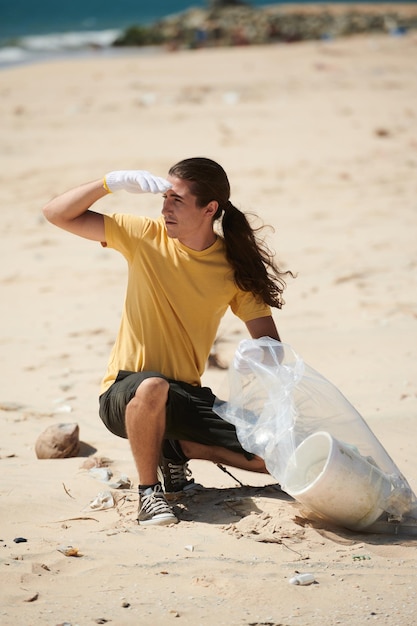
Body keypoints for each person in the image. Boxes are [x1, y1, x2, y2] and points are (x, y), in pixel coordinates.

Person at [42, 157, 291, 526]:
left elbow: (269, 342)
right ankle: (149, 495)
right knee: (153, 385)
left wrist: (257, 373)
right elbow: (56, 213)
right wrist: (110, 182)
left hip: (184, 398)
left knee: (273, 457)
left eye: (177, 200)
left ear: (210, 209)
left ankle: (177, 447)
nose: (165, 208)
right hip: (125, 394)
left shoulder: (231, 267)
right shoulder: (144, 236)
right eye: (164, 198)